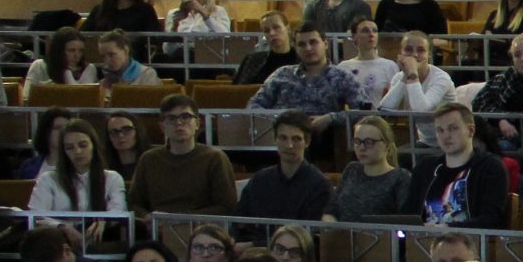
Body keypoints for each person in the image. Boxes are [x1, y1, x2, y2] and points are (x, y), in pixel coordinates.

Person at [127, 93, 236, 224]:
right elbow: (134, 203)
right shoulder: (148, 159)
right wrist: (147, 217)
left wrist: (180, 220)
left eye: (185, 117)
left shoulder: (215, 158)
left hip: (201, 229)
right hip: (157, 229)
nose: (179, 123)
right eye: (171, 118)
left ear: (197, 123)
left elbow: (226, 207)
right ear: (162, 127)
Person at [409, 103, 509, 230]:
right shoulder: (425, 167)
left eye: (453, 128)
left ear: (471, 130)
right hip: (423, 239)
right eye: (440, 130)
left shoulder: (490, 167)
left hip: (468, 240)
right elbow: (408, 215)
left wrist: (446, 228)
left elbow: (491, 220)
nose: (446, 136)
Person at [236, 111, 335, 224]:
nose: (289, 145)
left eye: (296, 139)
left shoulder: (320, 185)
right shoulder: (259, 180)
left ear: (307, 142)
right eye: (283, 138)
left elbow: (312, 231)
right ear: (275, 140)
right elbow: (239, 221)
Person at [29, 116, 127, 229]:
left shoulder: (112, 178)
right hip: (58, 235)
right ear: (63, 151)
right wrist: (63, 227)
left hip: (99, 234)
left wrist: (103, 221)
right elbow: (37, 215)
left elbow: (118, 210)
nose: (77, 151)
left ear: (94, 145)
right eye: (70, 147)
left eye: (83, 145)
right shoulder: (48, 179)